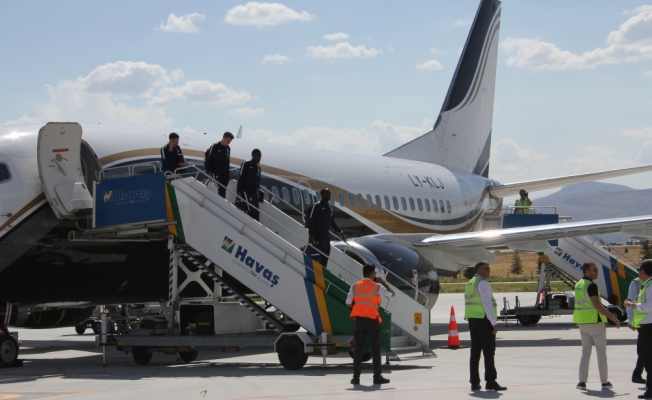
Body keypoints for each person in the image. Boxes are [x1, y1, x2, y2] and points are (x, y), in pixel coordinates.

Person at [573, 261, 620, 391]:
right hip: (595, 322)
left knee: (585, 352)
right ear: (587, 272)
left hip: (582, 323)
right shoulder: (591, 286)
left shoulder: (578, 284)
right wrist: (613, 317)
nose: (597, 272)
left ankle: (582, 382)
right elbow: (597, 305)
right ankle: (604, 382)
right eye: (595, 270)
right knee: (601, 353)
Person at [346, 264, 395, 386]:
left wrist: (358, 307)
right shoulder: (376, 287)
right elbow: (392, 293)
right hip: (372, 320)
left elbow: (348, 303)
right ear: (372, 274)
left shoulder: (355, 286)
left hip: (360, 321)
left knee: (358, 350)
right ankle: (377, 377)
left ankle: (356, 378)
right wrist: (383, 282)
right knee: (375, 349)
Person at [464, 261, 506, 391]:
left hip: (473, 319)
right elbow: (487, 304)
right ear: (479, 270)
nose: (489, 271)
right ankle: (491, 381)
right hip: (483, 319)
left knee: (475, 351)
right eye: (487, 269)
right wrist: (493, 323)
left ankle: (474, 382)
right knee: (488, 351)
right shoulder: (482, 283)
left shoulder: (470, 282)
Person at [625, 259, 652, 399]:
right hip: (644, 325)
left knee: (647, 356)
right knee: (644, 355)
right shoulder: (643, 284)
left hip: (649, 327)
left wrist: (633, 305)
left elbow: (649, 306)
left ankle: (650, 388)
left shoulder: (650, 286)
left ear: (643, 271)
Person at [307, 189, 346, 267]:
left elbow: (332, 223)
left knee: (326, 256)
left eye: (329, 193)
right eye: (327, 193)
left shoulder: (330, 208)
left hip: (326, 238)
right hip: (317, 237)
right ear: (322, 194)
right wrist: (311, 235)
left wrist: (341, 232)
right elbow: (311, 220)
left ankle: (323, 272)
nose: (329, 195)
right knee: (318, 257)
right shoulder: (317, 205)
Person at [627, 273, 646, 384]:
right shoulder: (636, 283)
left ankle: (637, 374)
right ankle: (637, 374)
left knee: (645, 349)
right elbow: (630, 301)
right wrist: (630, 320)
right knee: (645, 350)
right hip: (642, 322)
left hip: (648, 320)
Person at [206, 131, 234, 198]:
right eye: (228, 141)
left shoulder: (228, 148)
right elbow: (208, 159)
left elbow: (227, 162)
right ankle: (221, 204)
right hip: (216, 172)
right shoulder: (215, 146)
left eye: (230, 141)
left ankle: (222, 203)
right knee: (221, 188)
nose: (229, 143)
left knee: (223, 189)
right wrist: (208, 173)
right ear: (224, 138)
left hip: (224, 174)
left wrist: (228, 173)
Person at [236, 149, 262, 221]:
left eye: (260, 157)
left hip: (254, 193)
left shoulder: (258, 168)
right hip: (246, 191)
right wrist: (238, 192)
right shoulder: (246, 164)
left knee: (256, 212)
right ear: (253, 156)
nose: (259, 158)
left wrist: (259, 193)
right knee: (250, 210)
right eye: (258, 156)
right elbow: (240, 177)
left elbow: (258, 182)